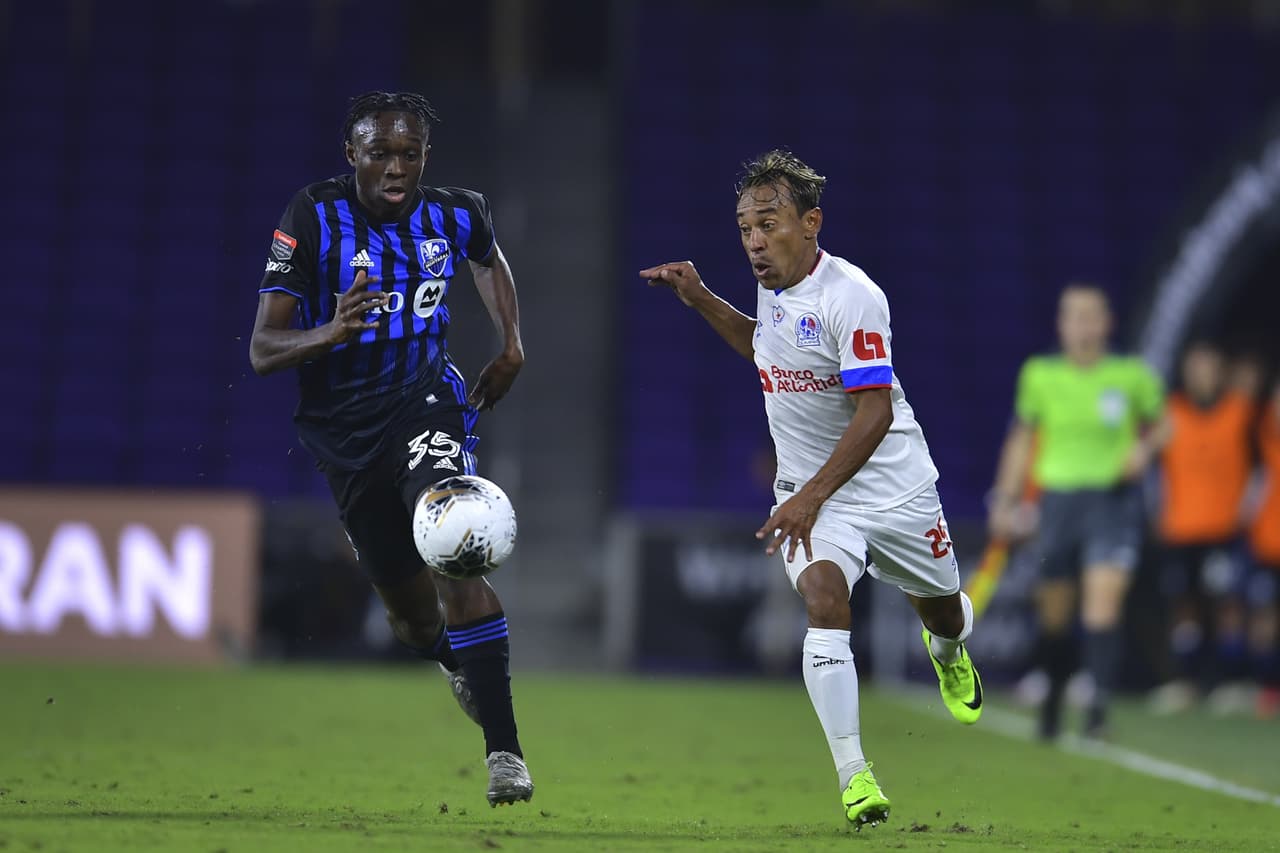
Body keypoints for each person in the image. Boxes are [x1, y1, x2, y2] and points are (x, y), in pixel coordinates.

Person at [641, 150, 982, 830]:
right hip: (813, 493)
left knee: (942, 612)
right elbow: (770, 348)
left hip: (892, 486)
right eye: (744, 229)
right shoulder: (771, 287)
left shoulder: (853, 296)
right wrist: (702, 296)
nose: (754, 241)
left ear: (811, 222)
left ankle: (947, 652)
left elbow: (875, 411)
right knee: (825, 600)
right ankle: (856, 776)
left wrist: (810, 496)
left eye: (768, 224)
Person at [248, 91, 532, 806]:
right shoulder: (312, 216)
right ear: (353, 156)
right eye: (381, 153)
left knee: (457, 541)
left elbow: (488, 260)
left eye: (410, 153)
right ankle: (451, 657)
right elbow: (262, 348)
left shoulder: (456, 210)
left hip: (424, 405)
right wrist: (329, 333)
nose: (397, 167)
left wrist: (512, 344)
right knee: (410, 620)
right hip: (343, 434)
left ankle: (505, 751)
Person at [989, 285, 1168, 740]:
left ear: (1106, 323)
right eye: (1074, 316)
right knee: (1056, 615)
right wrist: (1006, 500)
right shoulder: (1040, 375)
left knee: (1102, 605)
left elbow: (1165, 423)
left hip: (1112, 500)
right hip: (1058, 502)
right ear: (1062, 325)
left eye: (1091, 316)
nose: (1083, 326)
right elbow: (1023, 439)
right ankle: (1052, 703)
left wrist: (1144, 449)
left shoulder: (1131, 375)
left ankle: (1097, 713)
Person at [1149, 341, 1256, 713]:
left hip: (1224, 530)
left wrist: (1249, 510)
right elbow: (1151, 466)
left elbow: (1262, 467)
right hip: (1179, 529)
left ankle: (1224, 682)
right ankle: (1184, 680)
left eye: (1209, 367)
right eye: (1196, 367)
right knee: (1185, 609)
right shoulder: (1170, 413)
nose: (1202, 375)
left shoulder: (1241, 413)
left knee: (1224, 607)